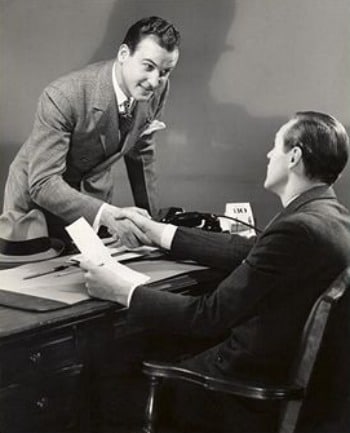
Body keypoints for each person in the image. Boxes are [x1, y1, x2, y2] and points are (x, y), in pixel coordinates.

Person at [80, 111, 350, 432]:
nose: (268, 154)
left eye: (274, 146)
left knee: (101, 384)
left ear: (293, 157)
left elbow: (207, 315)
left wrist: (120, 290)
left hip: (242, 393)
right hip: (286, 380)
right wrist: (159, 231)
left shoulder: (297, 229)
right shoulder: (329, 217)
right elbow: (248, 250)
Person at [2, 16, 180, 248]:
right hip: (36, 209)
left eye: (165, 71)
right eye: (148, 66)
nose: (155, 81)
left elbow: (141, 152)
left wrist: (152, 224)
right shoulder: (62, 95)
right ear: (124, 54)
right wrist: (108, 215)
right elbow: (43, 183)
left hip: (95, 201)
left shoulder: (156, 88)